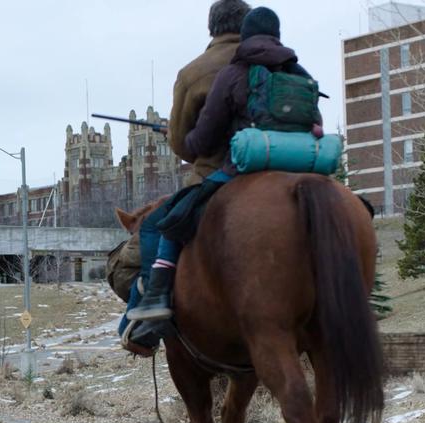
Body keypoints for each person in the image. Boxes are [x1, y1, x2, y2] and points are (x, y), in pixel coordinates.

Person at [127, 6, 323, 333]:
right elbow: (315, 121)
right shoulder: (297, 71)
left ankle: (155, 302)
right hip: (300, 166)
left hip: (236, 168)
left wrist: (177, 136)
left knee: (167, 223)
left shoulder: (226, 73)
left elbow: (198, 140)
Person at [119, 0, 251, 352]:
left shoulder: (195, 72)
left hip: (216, 176)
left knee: (154, 227)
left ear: (212, 28)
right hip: (280, 166)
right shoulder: (277, 64)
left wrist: (170, 135)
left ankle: (150, 312)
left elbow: (183, 146)